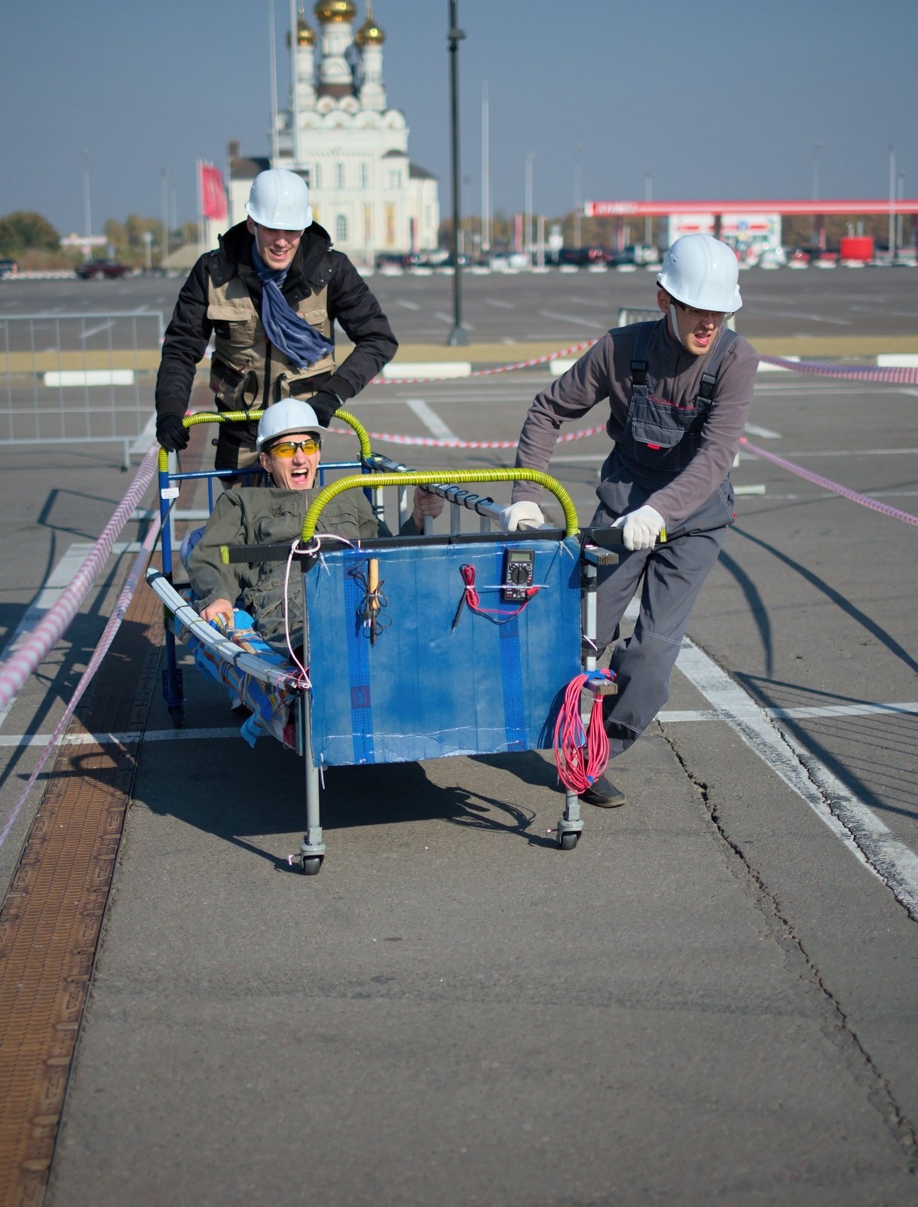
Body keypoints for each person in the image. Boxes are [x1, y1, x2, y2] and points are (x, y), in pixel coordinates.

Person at [499, 233, 758, 807]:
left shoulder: (737, 362)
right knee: (582, 636)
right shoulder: (619, 351)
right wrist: (526, 493)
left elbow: (716, 456)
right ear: (665, 298)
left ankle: (593, 754)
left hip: (694, 519)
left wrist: (661, 511)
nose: (709, 323)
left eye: (720, 312)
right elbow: (547, 411)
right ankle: (551, 726)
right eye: (698, 309)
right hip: (623, 508)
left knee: (650, 656)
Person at [155, 167, 397, 475]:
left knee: (300, 521)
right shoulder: (213, 271)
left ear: (304, 227)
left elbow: (379, 339)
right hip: (240, 433)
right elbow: (181, 348)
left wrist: (332, 395)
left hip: (300, 435)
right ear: (252, 224)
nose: (282, 242)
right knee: (240, 520)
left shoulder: (331, 269)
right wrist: (170, 410)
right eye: (272, 229)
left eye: (292, 230)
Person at [187, 398, 443, 651]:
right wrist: (218, 596)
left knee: (423, 627)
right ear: (266, 461)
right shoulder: (242, 502)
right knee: (318, 646)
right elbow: (212, 555)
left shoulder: (347, 495)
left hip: (359, 592)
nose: (299, 458)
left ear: (318, 453)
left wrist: (418, 518)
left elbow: (387, 556)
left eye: (308, 446)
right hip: (289, 601)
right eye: (286, 449)